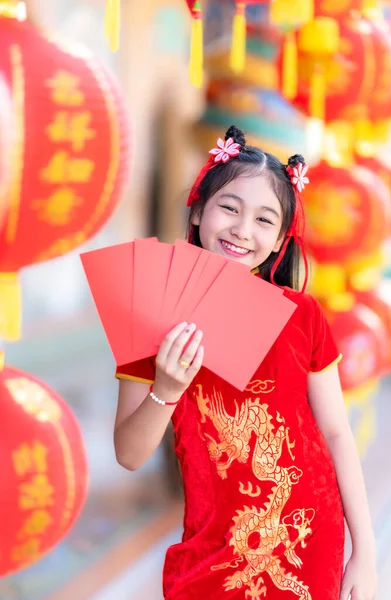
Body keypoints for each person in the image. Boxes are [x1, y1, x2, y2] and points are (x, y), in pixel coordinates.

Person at [114, 126, 377, 600]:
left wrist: (366, 552)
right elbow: (130, 456)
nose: (242, 230)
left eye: (264, 219)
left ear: (279, 241)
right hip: (208, 549)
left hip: (306, 541)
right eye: (230, 208)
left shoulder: (302, 316)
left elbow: (336, 433)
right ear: (197, 210)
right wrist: (167, 389)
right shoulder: (151, 311)